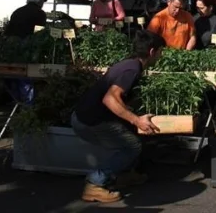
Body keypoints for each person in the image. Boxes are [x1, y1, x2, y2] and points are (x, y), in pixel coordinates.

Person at [71, 30, 166, 203]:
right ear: (152, 51)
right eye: (161, 51)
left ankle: (122, 175)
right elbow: (109, 99)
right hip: (90, 121)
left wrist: (132, 116)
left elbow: (116, 98)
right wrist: (137, 120)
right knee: (131, 146)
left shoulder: (129, 63)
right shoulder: (132, 69)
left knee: (131, 132)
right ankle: (95, 184)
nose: (161, 55)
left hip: (86, 116)